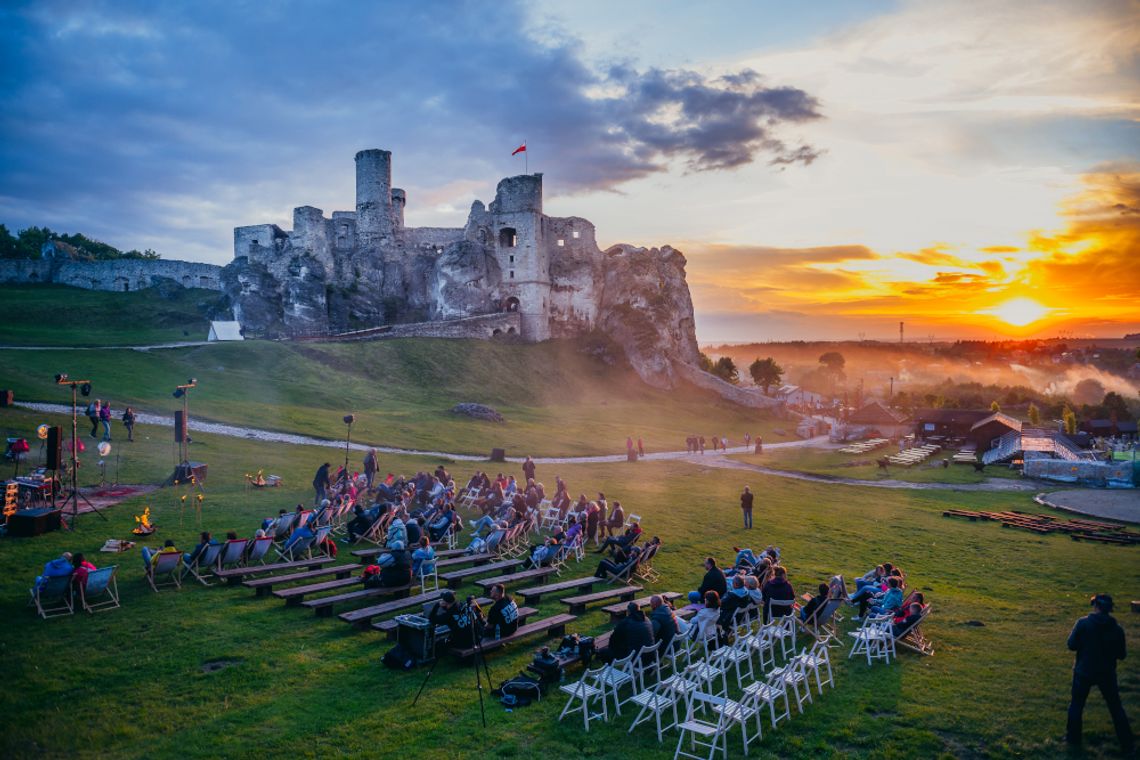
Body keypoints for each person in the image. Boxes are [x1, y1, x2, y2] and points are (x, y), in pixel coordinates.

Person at [1065, 594, 1133, 752]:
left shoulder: (1083, 624)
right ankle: (1127, 742)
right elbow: (1121, 655)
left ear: (1095, 605)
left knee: (1076, 705)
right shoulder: (1116, 629)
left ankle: (1073, 739)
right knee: (1115, 707)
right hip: (1106, 673)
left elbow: (1071, 645)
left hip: (1083, 671)